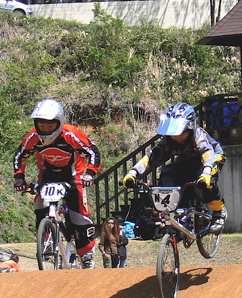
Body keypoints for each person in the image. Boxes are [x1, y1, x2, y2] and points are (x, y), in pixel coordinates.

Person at [14, 99, 101, 269]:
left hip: (73, 175)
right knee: (40, 203)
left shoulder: (70, 134)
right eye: (42, 125)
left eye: (50, 125)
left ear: (59, 122)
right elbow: (20, 156)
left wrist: (89, 173)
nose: (45, 129)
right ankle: (45, 238)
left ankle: (87, 254)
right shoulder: (33, 137)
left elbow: (92, 151)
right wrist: (19, 178)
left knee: (79, 216)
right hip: (47, 175)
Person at [123, 103, 228, 234]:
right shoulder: (168, 140)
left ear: (190, 128)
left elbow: (207, 153)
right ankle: (177, 215)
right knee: (167, 174)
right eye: (173, 133)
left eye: (181, 132)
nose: (176, 137)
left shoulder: (198, 135)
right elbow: (152, 157)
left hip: (212, 158)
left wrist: (206, 173)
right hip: (187, 159)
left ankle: (219, 212)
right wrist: (133, 173)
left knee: (205, 182)